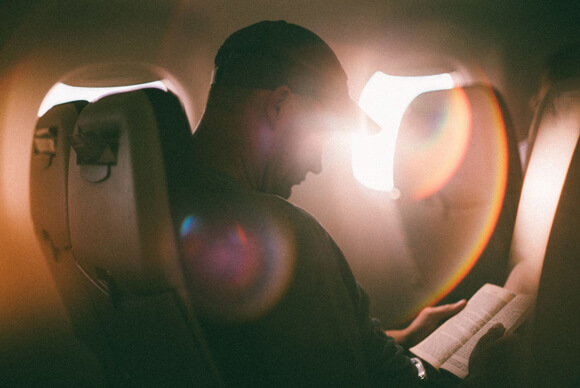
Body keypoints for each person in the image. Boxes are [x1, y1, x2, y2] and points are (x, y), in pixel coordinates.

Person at [175, 20, 498, 387]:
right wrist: (482, 379)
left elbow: (278, 354)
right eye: (321, 137)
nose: (317, 165)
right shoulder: (284, 235)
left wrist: (405, 336)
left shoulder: (166, 205)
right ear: (279, 106)